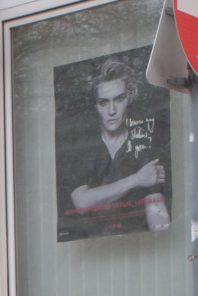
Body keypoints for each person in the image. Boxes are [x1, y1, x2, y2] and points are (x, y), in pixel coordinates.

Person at [61, 58, 170, 236]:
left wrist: (163, 241)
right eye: (103, 102)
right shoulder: (82, 147)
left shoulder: (143, 144)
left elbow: (156, 207)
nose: (112, 110)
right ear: (95, 105)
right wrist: (136, 180)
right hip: (91, 251)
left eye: (118, 99)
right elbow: (81, 202)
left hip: (141, 248)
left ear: (129, 98)